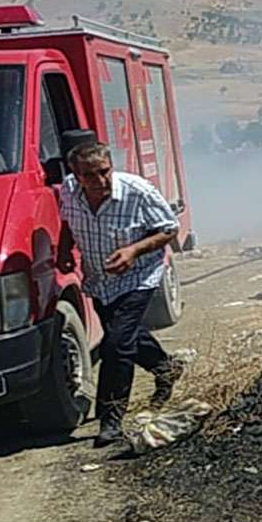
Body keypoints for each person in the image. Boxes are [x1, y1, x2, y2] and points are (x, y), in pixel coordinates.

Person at [57, 141, 183, 447]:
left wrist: (133, 251)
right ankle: (166, 368)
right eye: (89, 175)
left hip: (138, 276)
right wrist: (64, 251)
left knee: (115, 345)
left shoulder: (137, 191)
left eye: (104, 171)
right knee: (124, 335)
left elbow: (169, 228)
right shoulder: (69, 191)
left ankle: (110, 419)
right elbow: (67, 221)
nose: (100, 180)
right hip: (100, 279)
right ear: (76, 175)